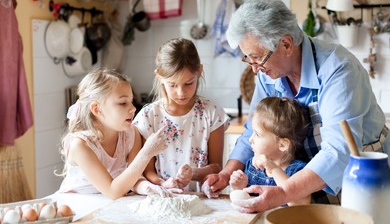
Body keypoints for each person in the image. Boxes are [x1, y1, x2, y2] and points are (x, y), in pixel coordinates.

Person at [204, 0, 390, 212]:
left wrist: (283, 193)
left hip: (362, 178)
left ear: (286, 44)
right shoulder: (268, 74)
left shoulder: (338, 69)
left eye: (257, 58)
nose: (254, 69)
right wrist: (226, 174)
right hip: (305, 179)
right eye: (248, 59)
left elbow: (339, 151)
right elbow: (251, 132)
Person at [57, 67, 171, 200]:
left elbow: (133, 177)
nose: (133, 108)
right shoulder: (81, 146)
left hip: (106, 204)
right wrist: (146, 153)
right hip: (76, 205)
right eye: (123, 103)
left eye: (131, 101)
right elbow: (113, 191)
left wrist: (148, 187)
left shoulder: (131, 134)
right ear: (96, 109)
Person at [133, 37, 230, 192]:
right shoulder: (148, 117)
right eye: (172, 85)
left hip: (204, 200)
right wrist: (163, 183)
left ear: (199, 71)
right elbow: (147, 170)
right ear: (159, 77)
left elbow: (217, 166)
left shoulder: (212, 114)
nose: (181, 92)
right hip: (163, 198)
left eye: (188, 83)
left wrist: (193, 173)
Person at [229, 97, 311, 206]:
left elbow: (301, 204)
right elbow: (248, 200)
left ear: (282, 145)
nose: (250, 139)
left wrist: (273, 168)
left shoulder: (298, 171)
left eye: (258, 134)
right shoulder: (252, 166)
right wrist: (240, 187)